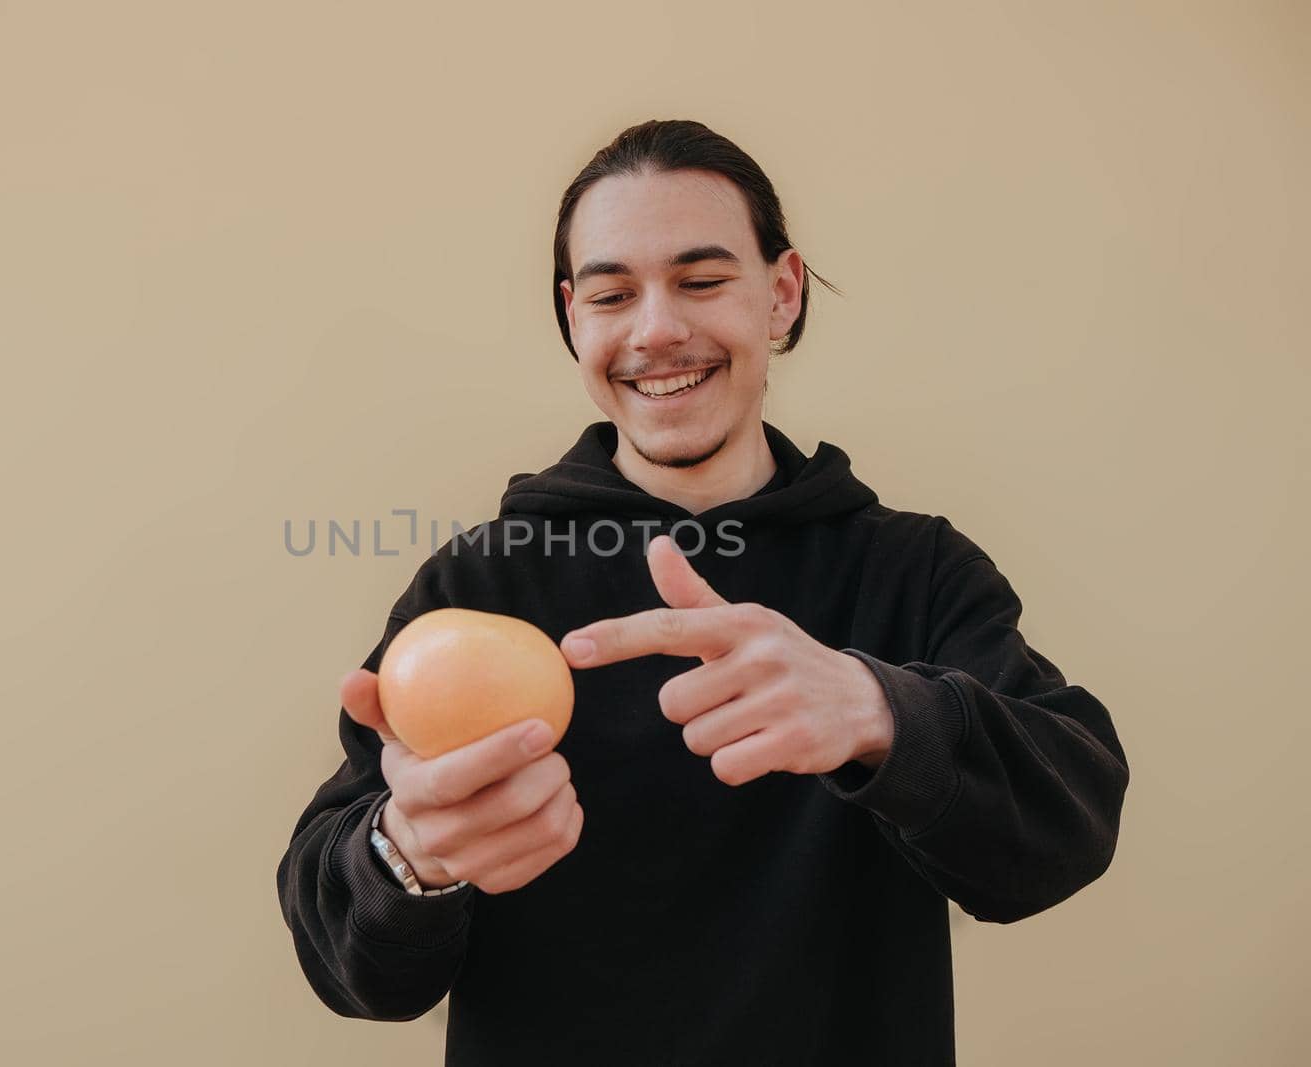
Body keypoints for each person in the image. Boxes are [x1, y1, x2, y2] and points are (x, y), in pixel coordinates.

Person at [276, 118, 1129, 1066]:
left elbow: (1068, 828)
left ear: (782, 293)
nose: (657, 330)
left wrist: (878, 709)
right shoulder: (481, 582)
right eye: (612, 294)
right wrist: (409, 855)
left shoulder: (914, 572)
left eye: (702, 279)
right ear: (573, 318)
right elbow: (346, 959)